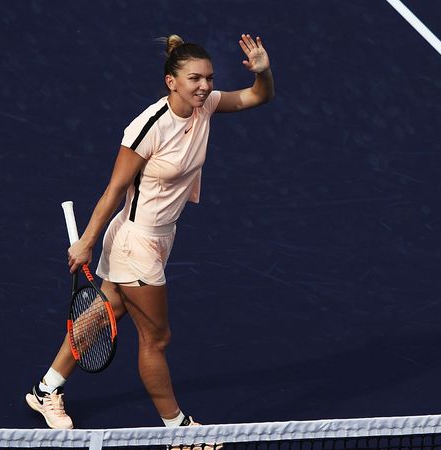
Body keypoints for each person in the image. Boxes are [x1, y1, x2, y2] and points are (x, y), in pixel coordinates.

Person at [25, 33, 274, 430]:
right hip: (134, 243)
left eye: (209, 78)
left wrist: (263, 73)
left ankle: (45, 389)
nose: (205, 86)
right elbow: (114, 190)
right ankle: (177, 429)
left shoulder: (205, 106)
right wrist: (87, 242)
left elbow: (257, 97)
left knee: (105, 313)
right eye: (194, 79)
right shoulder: (147, 128)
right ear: (171, 82)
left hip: (161, 237)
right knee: (156, 339)